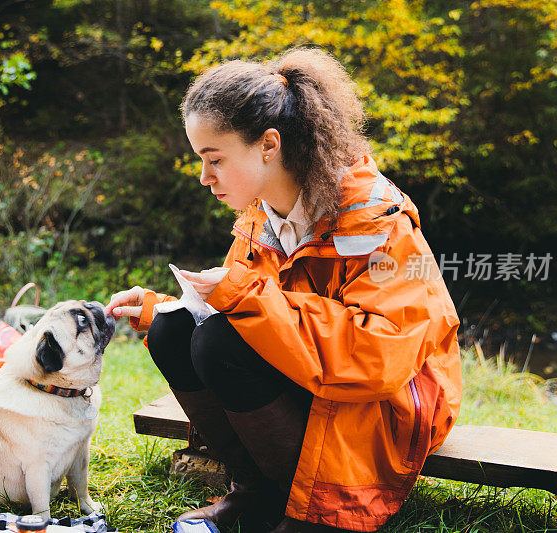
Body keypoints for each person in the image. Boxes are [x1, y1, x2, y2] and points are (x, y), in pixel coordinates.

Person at [105, 47, 461, 533]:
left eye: (215, 160)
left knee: (222, 341)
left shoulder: (383, 225)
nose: (204, 178)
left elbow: (382, 357)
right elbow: (250, 310)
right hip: (320, 379)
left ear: (268, 145)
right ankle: (257, 493)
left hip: (392, 401)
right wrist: (162, 308)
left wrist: (245, 298)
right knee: (174, 330)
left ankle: (315, 513)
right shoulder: (259, 217)